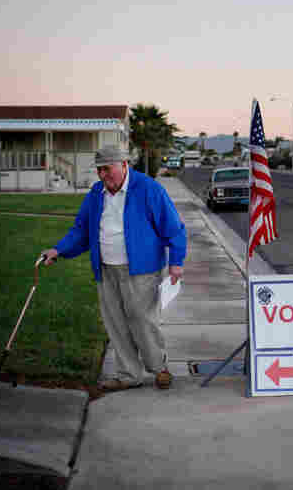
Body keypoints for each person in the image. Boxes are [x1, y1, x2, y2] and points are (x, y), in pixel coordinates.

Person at [41, 145, 186, 391]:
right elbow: (81, 229)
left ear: (124, 165)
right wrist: (59, 250)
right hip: (106, 269)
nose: (103, 175)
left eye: (107, 169)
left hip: (141, 270)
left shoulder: (148, 189)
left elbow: (173, 227)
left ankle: (158, 368)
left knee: (143, 320)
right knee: (116, 323)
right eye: (99, 170)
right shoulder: (97, 193)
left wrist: (176, 262)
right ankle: (129, 374)